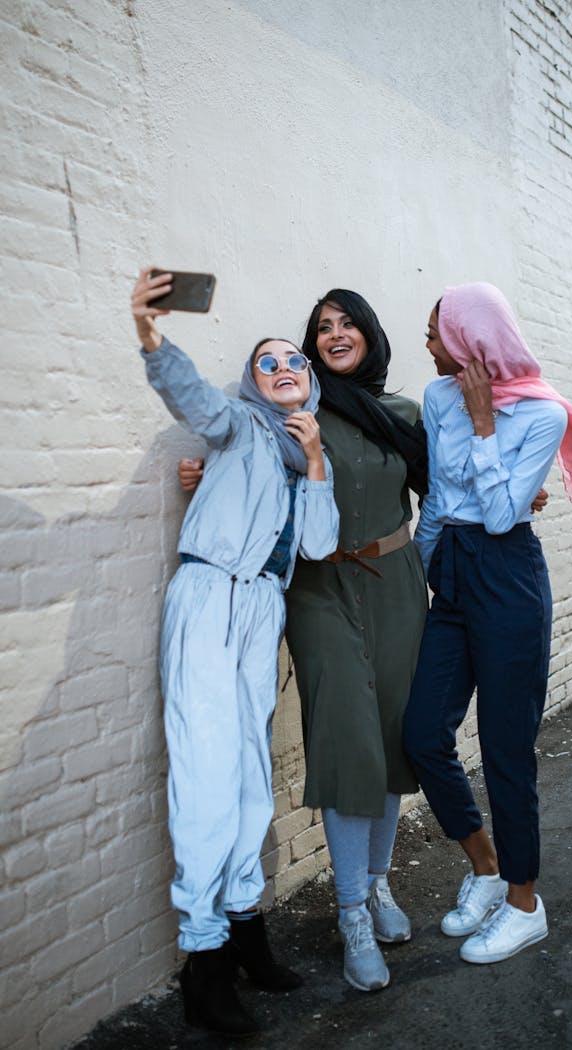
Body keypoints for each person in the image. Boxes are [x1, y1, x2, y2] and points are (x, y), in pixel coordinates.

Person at [180, 288, 429, 992]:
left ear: (370, 334)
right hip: (320, 593)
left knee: (390, 740)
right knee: (349, 743)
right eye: (323, 327)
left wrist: (524, 490)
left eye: (347, 323)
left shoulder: (403, 416)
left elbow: (446, 489)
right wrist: (202, 477)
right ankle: (351, 914)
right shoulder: (289, 417)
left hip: (397, 584)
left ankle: (377, 887)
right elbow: (243, 466)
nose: (334, 334)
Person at [131, 267, 339, 1036]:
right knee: (207, 772)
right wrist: (153, 335)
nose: (285, 370)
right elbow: (193, 401)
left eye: (297, 363)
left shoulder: (304, 453)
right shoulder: (237, 427)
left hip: (260, 609)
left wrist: (315, 460)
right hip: (209, 596)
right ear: (253, 385)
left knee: (251, 772)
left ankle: (246, 926)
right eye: (268, 363)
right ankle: (204, 958)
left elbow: (318, 543)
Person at [403, 281, 572, 965]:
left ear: (468, 338)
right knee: (425, 733)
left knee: (505, 750)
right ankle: (484, 866)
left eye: (436, 331)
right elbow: (437, 496)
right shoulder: (435, 398)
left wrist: (486, 425)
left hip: (510, 577)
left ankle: (525, 903)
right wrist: (431, 567)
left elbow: (498, 515)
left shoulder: (544, 415)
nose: (427, 343)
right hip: (454, 574)